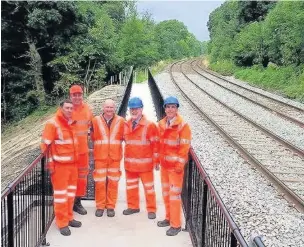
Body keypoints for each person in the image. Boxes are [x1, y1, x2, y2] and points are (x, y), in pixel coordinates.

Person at [40, 99, 81, 236]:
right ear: (61, 108)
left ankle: (69, 217)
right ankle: (62, 223)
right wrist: (50, 163)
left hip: (72, 166)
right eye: (67, 108)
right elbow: (45, 146)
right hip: (60, 167)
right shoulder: (53, 124)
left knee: (70, 194)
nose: (69, 110)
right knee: (61, 196)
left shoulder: (71, 123)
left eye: (71, 108)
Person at [157, 96, 191, 236]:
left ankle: (176, 225)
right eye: (168, 107)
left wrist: (179, 165)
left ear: (176, 109)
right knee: (166, 194)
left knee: (174, 195)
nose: (170, 109)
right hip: (165, 165)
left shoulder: (183, 126)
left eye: (173, 107)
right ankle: (169, 217)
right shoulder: (162, 124)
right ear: (165, 109)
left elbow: (184, 147)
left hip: (175, 168)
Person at [123, 97, 159, 219]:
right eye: (132, 109)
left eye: (136, 109)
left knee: (149, 188)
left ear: (141, 109)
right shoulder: (126, 125)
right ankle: (133, 206)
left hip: (145, 165)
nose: (134, 111)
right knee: (131, 186)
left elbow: (156, 145)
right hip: (130, 164)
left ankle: (151, 209)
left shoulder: (150, 125)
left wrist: (156, 161)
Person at [91, 99, 124, 217]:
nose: (109, 109)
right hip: (100, 156)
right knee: (99, 182)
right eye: (107, 107)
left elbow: (124, 136)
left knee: (113, 182)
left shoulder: (121, 121)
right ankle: (100, 206)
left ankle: (110, 206)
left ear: (114, 108)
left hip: (114, 157)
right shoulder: (95, 120)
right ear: (103, 108)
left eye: (111, 107)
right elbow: (93, 137)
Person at [70, 85, 93, 215]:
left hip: (83, 151)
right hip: (69, 152)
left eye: (79, 94)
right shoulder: (66, 109)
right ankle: (69, 203)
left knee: (82, 178)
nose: (77, 97)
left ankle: (77, 202)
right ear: (71, 96)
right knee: (70, 178)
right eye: (75, 95)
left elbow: (90, 127)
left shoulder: (87, 109)